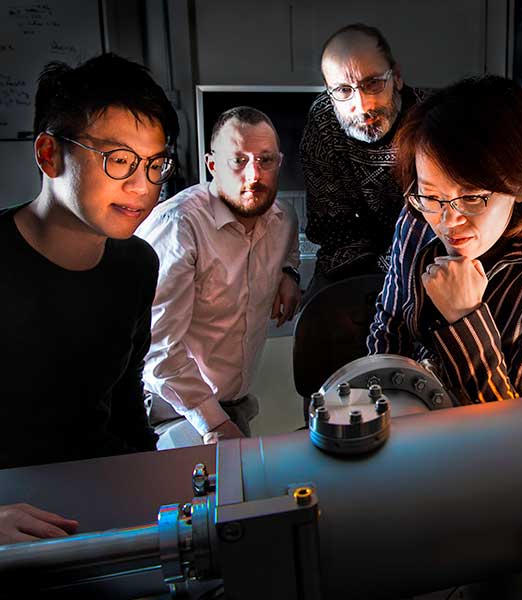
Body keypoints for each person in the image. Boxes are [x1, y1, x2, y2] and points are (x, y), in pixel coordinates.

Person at [0, 53, 178, 543]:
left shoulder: (137, 264)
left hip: (97, 500)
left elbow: (124, 404)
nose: (143, 187)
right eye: (119, 160)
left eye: (156, 164)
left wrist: (153, 483)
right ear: (49, 154)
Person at [367, 76, 522, 405]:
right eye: (432, 196)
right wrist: (379, 404)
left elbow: (517, 423)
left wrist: (464, 317)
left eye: (472, 197)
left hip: (482, 448)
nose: (448, 221)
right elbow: (390, 323)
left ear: (520, 185)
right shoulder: (416, 220)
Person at [137, 106, 300, 447]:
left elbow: (289, 250)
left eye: (265, 160)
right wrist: (213, 422)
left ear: (279, 163)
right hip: (171, 412)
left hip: (233, 405)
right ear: (212, 165)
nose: (254, 175)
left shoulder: (282, 218)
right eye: (238, 161)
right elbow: (158, 347)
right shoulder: (179, 226)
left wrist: (289, 273)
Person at [300, 23, 424, 297]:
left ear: (397, 77)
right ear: (329, 91)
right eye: (343, 90)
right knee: (318, 317)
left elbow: (439, 218)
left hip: (422, 253)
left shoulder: (429, 122)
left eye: (373, 83)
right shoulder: (323, 121)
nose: (362, 104)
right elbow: (329, 225)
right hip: (351, 253)